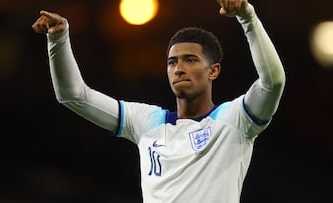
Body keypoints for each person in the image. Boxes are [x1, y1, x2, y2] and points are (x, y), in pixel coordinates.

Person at [32, 0, 285, 202]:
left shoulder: (235, 120)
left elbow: (272, 82)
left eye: (191, 60)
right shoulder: (147, 122)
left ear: (213, 71)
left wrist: (247, 17)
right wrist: (58, 39)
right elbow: (73, 95)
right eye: (172, 62)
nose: (179, 68)